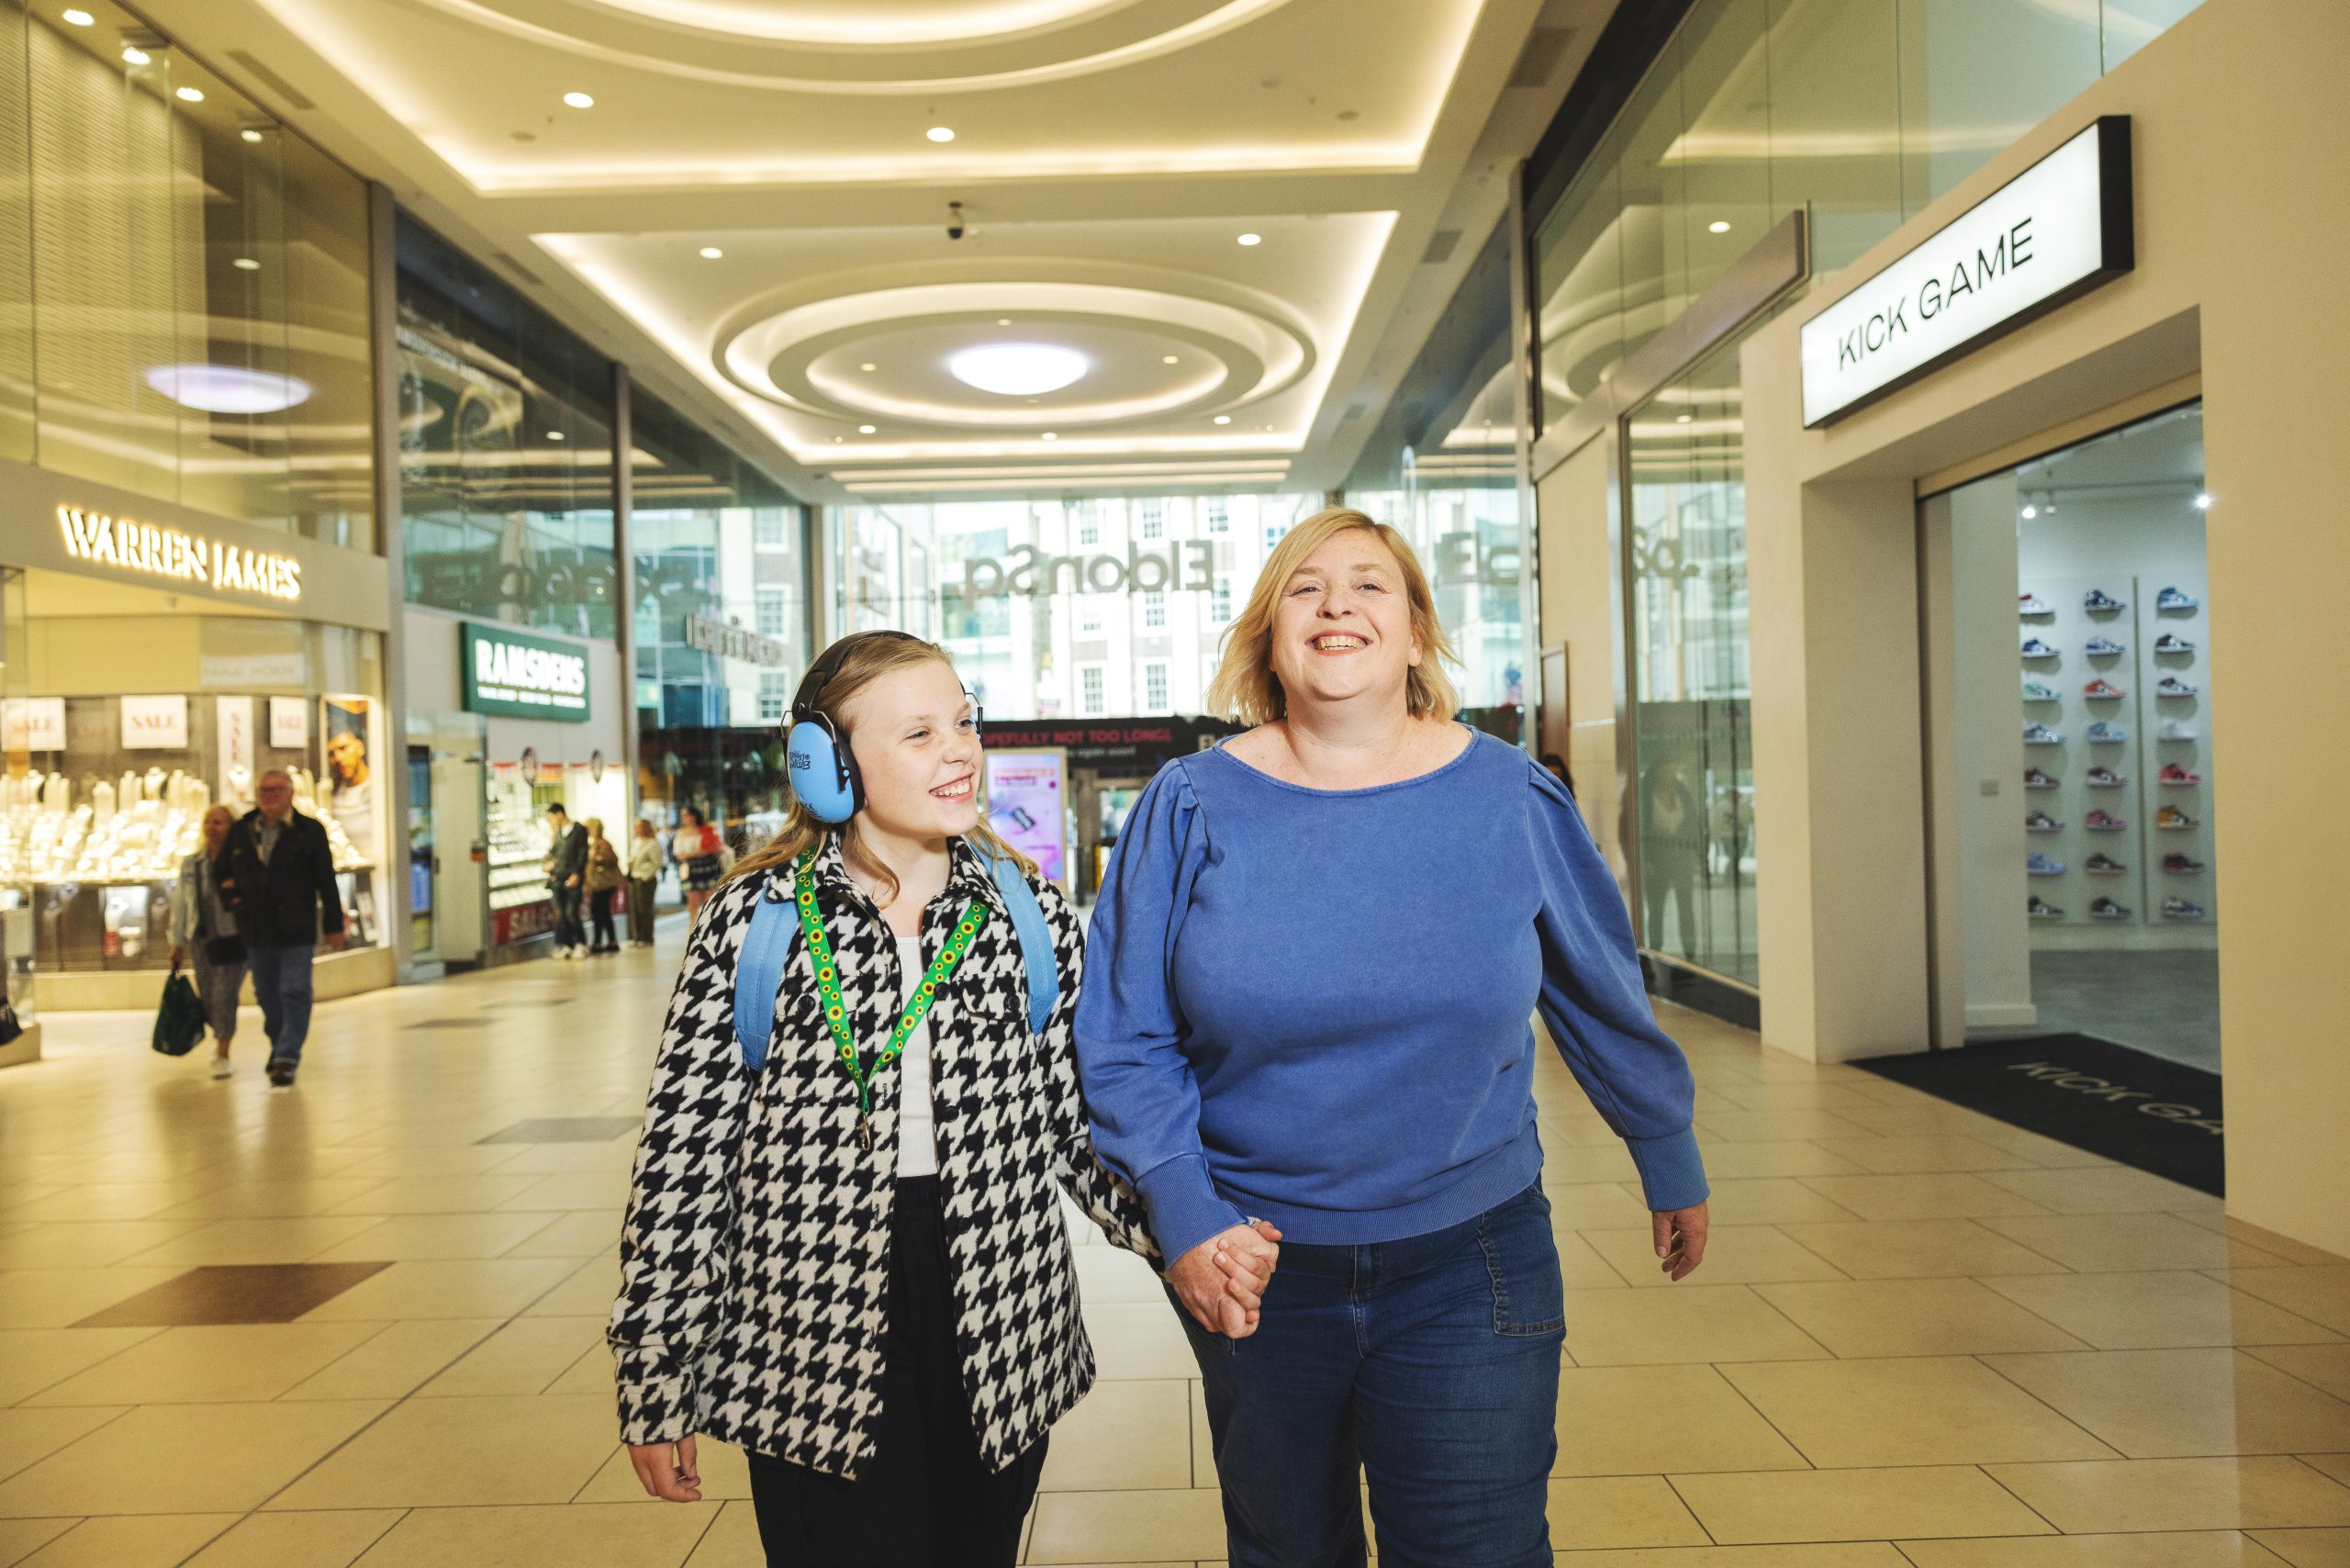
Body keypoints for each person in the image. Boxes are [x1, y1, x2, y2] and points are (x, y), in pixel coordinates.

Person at [1077, 507, 1711, 1568]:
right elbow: (1122, 1033)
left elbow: (1598, 986)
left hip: (1471, 1259)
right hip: (1252, 1265)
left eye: (1369, 584)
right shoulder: (1187, 805)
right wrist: (1182, 1215)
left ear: (1415, 633)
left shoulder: (1507, 793)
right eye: (1305, 586)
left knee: (1477, 1549)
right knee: (1288, 1550)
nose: (1336, 604)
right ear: (1267, 635)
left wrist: (1665, 1145)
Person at [610, 631, 1272, 1568]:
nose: (959, 748)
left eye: (963, 721)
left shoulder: (1026, 916)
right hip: (808, 1328)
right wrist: (655, 1372)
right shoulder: (754, 924)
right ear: (827, 765)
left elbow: (1081, 1131)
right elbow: (683, 1162)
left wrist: (1188, 1235)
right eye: (918, 732)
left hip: (996, 1320)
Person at [217, 769, 347, 1089]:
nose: (270, 795)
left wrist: (333, 924)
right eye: (264, 790)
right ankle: (279, 1044)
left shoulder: (309, 831)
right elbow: (221, 871)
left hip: (296, 927)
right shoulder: (242, 830)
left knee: (295, 990)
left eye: (277, 789)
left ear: (291, 793)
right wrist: (234, 903)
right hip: (257, 929)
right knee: (267, 994)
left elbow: (326, 881)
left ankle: (288, 1055)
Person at [167, 803, 245, 1081]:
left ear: (231, 826)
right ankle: (221, 1031)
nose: (212, 828)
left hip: (233, 937)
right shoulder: (192, 863)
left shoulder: (240, 859)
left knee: (225, 994)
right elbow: (181, 905)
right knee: (209, 995)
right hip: (201, 938)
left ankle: (222, 1051)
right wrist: (177, 941)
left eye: (219, 822)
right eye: (208, 822)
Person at [545, 802, 588, 959]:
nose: (551, 821)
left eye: (551, 817)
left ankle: (581, 943)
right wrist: (548, 865)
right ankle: (565, 944)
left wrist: (577, 873)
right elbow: (553, 853)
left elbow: (583, 854)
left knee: (571, 912)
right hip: (558, 879)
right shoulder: (557, 834)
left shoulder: (579, 830)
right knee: (560, 914)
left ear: (559, 814)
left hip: (573, 879)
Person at [673, 803, 722, 924]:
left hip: (707, 866)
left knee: (708, 898)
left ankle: (709, 925)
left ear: (694, 816)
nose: (684, 818)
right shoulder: (680, 832)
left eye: (686, 815)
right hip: (690, 868)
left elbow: (716, 847)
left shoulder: (705, 829)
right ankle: (693, 927)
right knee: (692, 899)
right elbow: (678, 853)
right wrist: (695, 854)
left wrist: (699, 852)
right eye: (682, 815)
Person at [583, 817, 623, 955]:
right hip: (598, 884)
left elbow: (612, 859)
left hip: (604, 884)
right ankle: (608, 941)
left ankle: (599, 941)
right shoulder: (593, 844)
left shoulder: (602, 844)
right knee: (603, 912)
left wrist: (597, 858)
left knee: (599, 912)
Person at [625, 817, 663, 947]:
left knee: (644, 909)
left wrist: (647, 875)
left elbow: (657, 863)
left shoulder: (652, 843)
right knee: (634, 908)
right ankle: (637, 937)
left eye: (639, 827)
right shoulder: (636, 842)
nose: (637, 830)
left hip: (646, 880)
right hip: (634, 877)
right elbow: (633, 857)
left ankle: (647, 937)